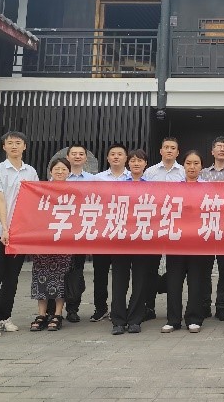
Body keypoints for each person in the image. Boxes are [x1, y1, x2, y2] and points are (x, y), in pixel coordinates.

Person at [0, 131, 40, 338]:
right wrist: (5, 229)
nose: (14, 146)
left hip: (20, 233)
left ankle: (4, 316)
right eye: (10, 143)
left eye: (18, 142)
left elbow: (33, 201)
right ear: (4, 147)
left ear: (25, 146)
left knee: (11, 278)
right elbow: (0, 200)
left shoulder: (30, 172)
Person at [161, 150, 212, 335]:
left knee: (196, 282)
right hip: (176, 242)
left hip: (198, 243)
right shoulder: (174, 188)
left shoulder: (208, 188)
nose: (192, 167)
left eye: (196, 163)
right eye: (189, 163)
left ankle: (194, 318)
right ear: (183, 166)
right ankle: (173, 319)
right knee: (174, 282)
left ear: (201, 167)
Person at [142, 137, 185, 321]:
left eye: (172, 148)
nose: (169, 150)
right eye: (166, 147)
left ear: (177, 152)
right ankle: (149, 307)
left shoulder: (183, 172)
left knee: (175, 268)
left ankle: (173, 309)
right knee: (150, 267)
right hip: (154, 225)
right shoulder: (150, 172)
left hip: (177, 225)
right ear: (160, 151)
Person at [89, 143, 131, 323]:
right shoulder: (97, 178)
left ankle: (119, 307)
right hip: (103, 232)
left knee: (122, 273)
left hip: (125, 232)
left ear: (126, 158)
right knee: (100, 272)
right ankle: (100, 308)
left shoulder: (132, 178)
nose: (116, 157)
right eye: (112, 154)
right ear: (107, 158)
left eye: (120, 154)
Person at [30, 158, 73, 332]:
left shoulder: (74, 192)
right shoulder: (41, 190)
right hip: (43, 241)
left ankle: (57, 314)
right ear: (50, 171)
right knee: (41, 275)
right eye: (57, 169)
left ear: (69, 172)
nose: (60, 172)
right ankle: (41, 314)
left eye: (64, 169)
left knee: (60, 277)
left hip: (64, 241)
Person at [110, 149, 150, 335]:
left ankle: (135, 319)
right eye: (133, 160)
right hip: (121, 239)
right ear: (128, 163)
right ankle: (118, 320)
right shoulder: (118, 186)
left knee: (140, 282)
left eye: (139, 160)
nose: (136, 163)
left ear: (145, 164)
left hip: (142, 239)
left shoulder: (152, 187)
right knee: (119, 281)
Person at [200, 136, 224, 322]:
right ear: (212, 151)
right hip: (207, 226)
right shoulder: (203, 173)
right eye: (219, 146)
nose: (222, 149)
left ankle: (221, 306)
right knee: (204, 269)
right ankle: (205, 304)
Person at [62, 143, 96, 324]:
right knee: (57, 270)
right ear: (67, 157)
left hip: (81, 232)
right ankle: (54, 309)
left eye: (81, 154)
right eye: (73, 153)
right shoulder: (58, 177)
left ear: (85, 158)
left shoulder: (93, 180)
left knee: (77, 270)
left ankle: (73, 309)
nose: (77, 156)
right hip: (60, 231)